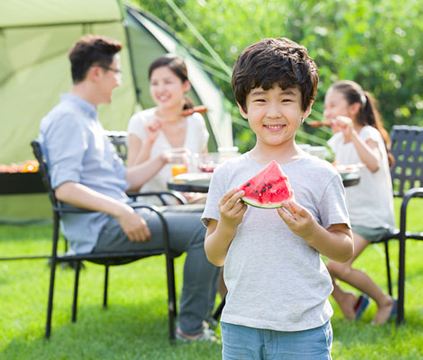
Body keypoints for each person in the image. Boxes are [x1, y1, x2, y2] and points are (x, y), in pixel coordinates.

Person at [37, 34, 219, 342]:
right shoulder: (68, 120)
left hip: (121, 214)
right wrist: (122, 211)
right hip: (101, 230)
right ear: (97, 72)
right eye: (116, 73)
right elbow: (64, 189)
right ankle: (190, 328)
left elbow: (124, 181)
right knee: (205, 228)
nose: (119, 82)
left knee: (212, 212)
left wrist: (160, 157)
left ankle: (205, 316)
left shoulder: (87, 119)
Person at [202, 37, 354, 359]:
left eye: (286, 99)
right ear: (243, 107)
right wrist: (227, 224)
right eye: (260, 100)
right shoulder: (227, 175)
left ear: (306, 106)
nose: (273, 112)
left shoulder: (322, 175)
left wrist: (312, 232)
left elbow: (343, 250)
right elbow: (215, 255)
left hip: (304, 326)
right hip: (240, 322)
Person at [324, 80, 397, 325]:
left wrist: (352, 134)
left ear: (353, 109)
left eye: (333, 105)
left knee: (337, 267)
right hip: (348, 218)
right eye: (326, 107)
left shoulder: (367, 134)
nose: (328, 113)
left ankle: (385, 301)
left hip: (372, 218)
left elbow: (375, 163)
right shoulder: (335, 142)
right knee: (312, 261)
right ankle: (346, 299)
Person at [126, 54, 209, 203]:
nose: (160, 89)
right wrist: (149, 142)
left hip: (191, 203)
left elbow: (204, 168)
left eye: (167, 82)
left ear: (185, 85)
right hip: (155, 208)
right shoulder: (140, 122)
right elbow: (131, 185)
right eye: (154, 83)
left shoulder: (195, 121)